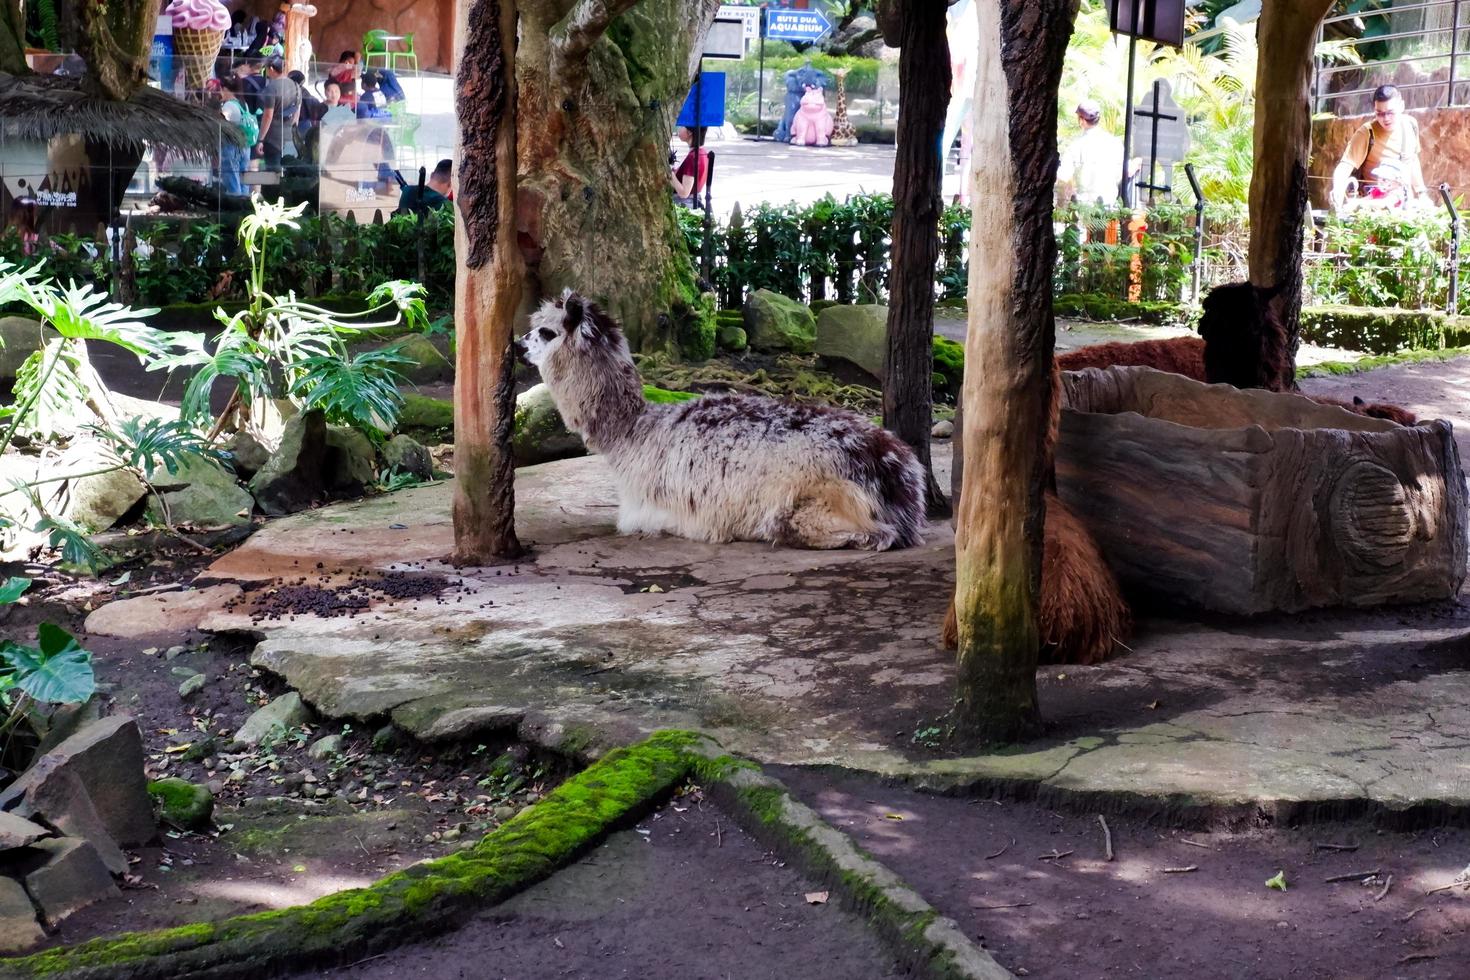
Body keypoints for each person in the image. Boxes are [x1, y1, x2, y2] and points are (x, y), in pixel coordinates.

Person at [1332, 84, 1431, 210]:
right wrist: (1338, 188)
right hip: (1374, 205)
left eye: (1390, 113)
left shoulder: (1410, 125)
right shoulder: (1366, 133)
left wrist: (1422, 193)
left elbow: (1412, 160)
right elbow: (1345, 165)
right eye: (1380, 113)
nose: (1386, 119)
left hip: (1403, 204)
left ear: (1401, 106)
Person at [1056, 99, 1125, 205]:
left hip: (1085, 207)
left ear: (1082, 120)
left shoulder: (1075, 146)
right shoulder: (1115, 143)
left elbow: (1063, 176)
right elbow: (1120, 174)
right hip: (1110, 205)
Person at [255, 55, 301, 172]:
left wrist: (260, 140)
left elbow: (268, 116)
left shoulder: (271, 88)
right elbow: (296, 115)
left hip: (273, 139)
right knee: (288, 173)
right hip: (290, 137)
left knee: (273, 174)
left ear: (271, 68)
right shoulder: (297, 87)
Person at [218, 75, 255, 194]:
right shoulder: (243, 104)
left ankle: (235, 206)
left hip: (231, 146)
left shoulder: (229, 106)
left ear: (225, 89)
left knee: (232, 181)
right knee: (243, 179)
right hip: (245, 145)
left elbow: (220, 123)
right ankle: (244, 206)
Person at [668, 126, 709, 208]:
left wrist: (669, 172)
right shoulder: (702, 152)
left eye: (682, 126)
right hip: (694, 200)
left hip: (684, 204)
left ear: (690, 132)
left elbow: (684, 193)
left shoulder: (693, 157)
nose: (678, 129)